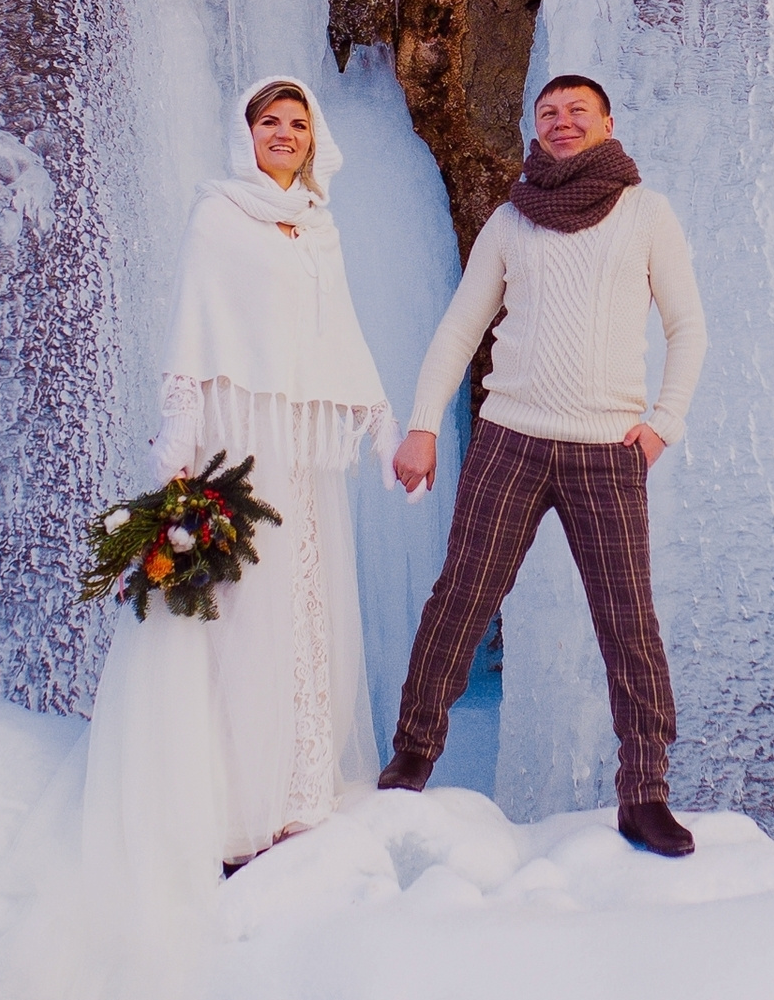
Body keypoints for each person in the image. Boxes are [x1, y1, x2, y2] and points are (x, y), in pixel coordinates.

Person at [382, 74, 708, 856]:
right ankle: (411, 759)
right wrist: (423, 426)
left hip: (606, 452)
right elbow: (461, 328)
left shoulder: (647, 213)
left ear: (607, 123)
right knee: (462, 597)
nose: (562, 124)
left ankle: (645, 794)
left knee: (629, 623)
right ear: (537, 127)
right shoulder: (511, 220)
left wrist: (664, 424)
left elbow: (688, 325)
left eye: (577, 113)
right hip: (511, 439)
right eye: (550, 114)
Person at [84, 74, 396, 875]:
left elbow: (338, 333)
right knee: (242, 611)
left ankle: (298, 791)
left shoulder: (320, 229)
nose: (283, 134)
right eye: (269, 121)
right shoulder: (219, 214)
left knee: (302, 604)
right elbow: (195, 323)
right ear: (247, 132)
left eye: (297, 122)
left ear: (315, 137)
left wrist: (378, 419)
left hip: (298, 443)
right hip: (239, 433)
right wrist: (181, 429)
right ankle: (232, 800)